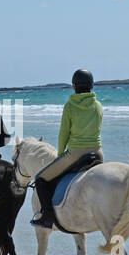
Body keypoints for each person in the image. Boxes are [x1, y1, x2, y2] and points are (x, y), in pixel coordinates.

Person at [32, 69, 103, 228]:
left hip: (75, 154)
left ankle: (47, 217)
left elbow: (63, 133)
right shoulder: (98, 105)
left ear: (74, 86)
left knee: (40, 179)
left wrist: (60, 154)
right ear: (91, 86)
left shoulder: (70, 106)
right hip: (97, 153)